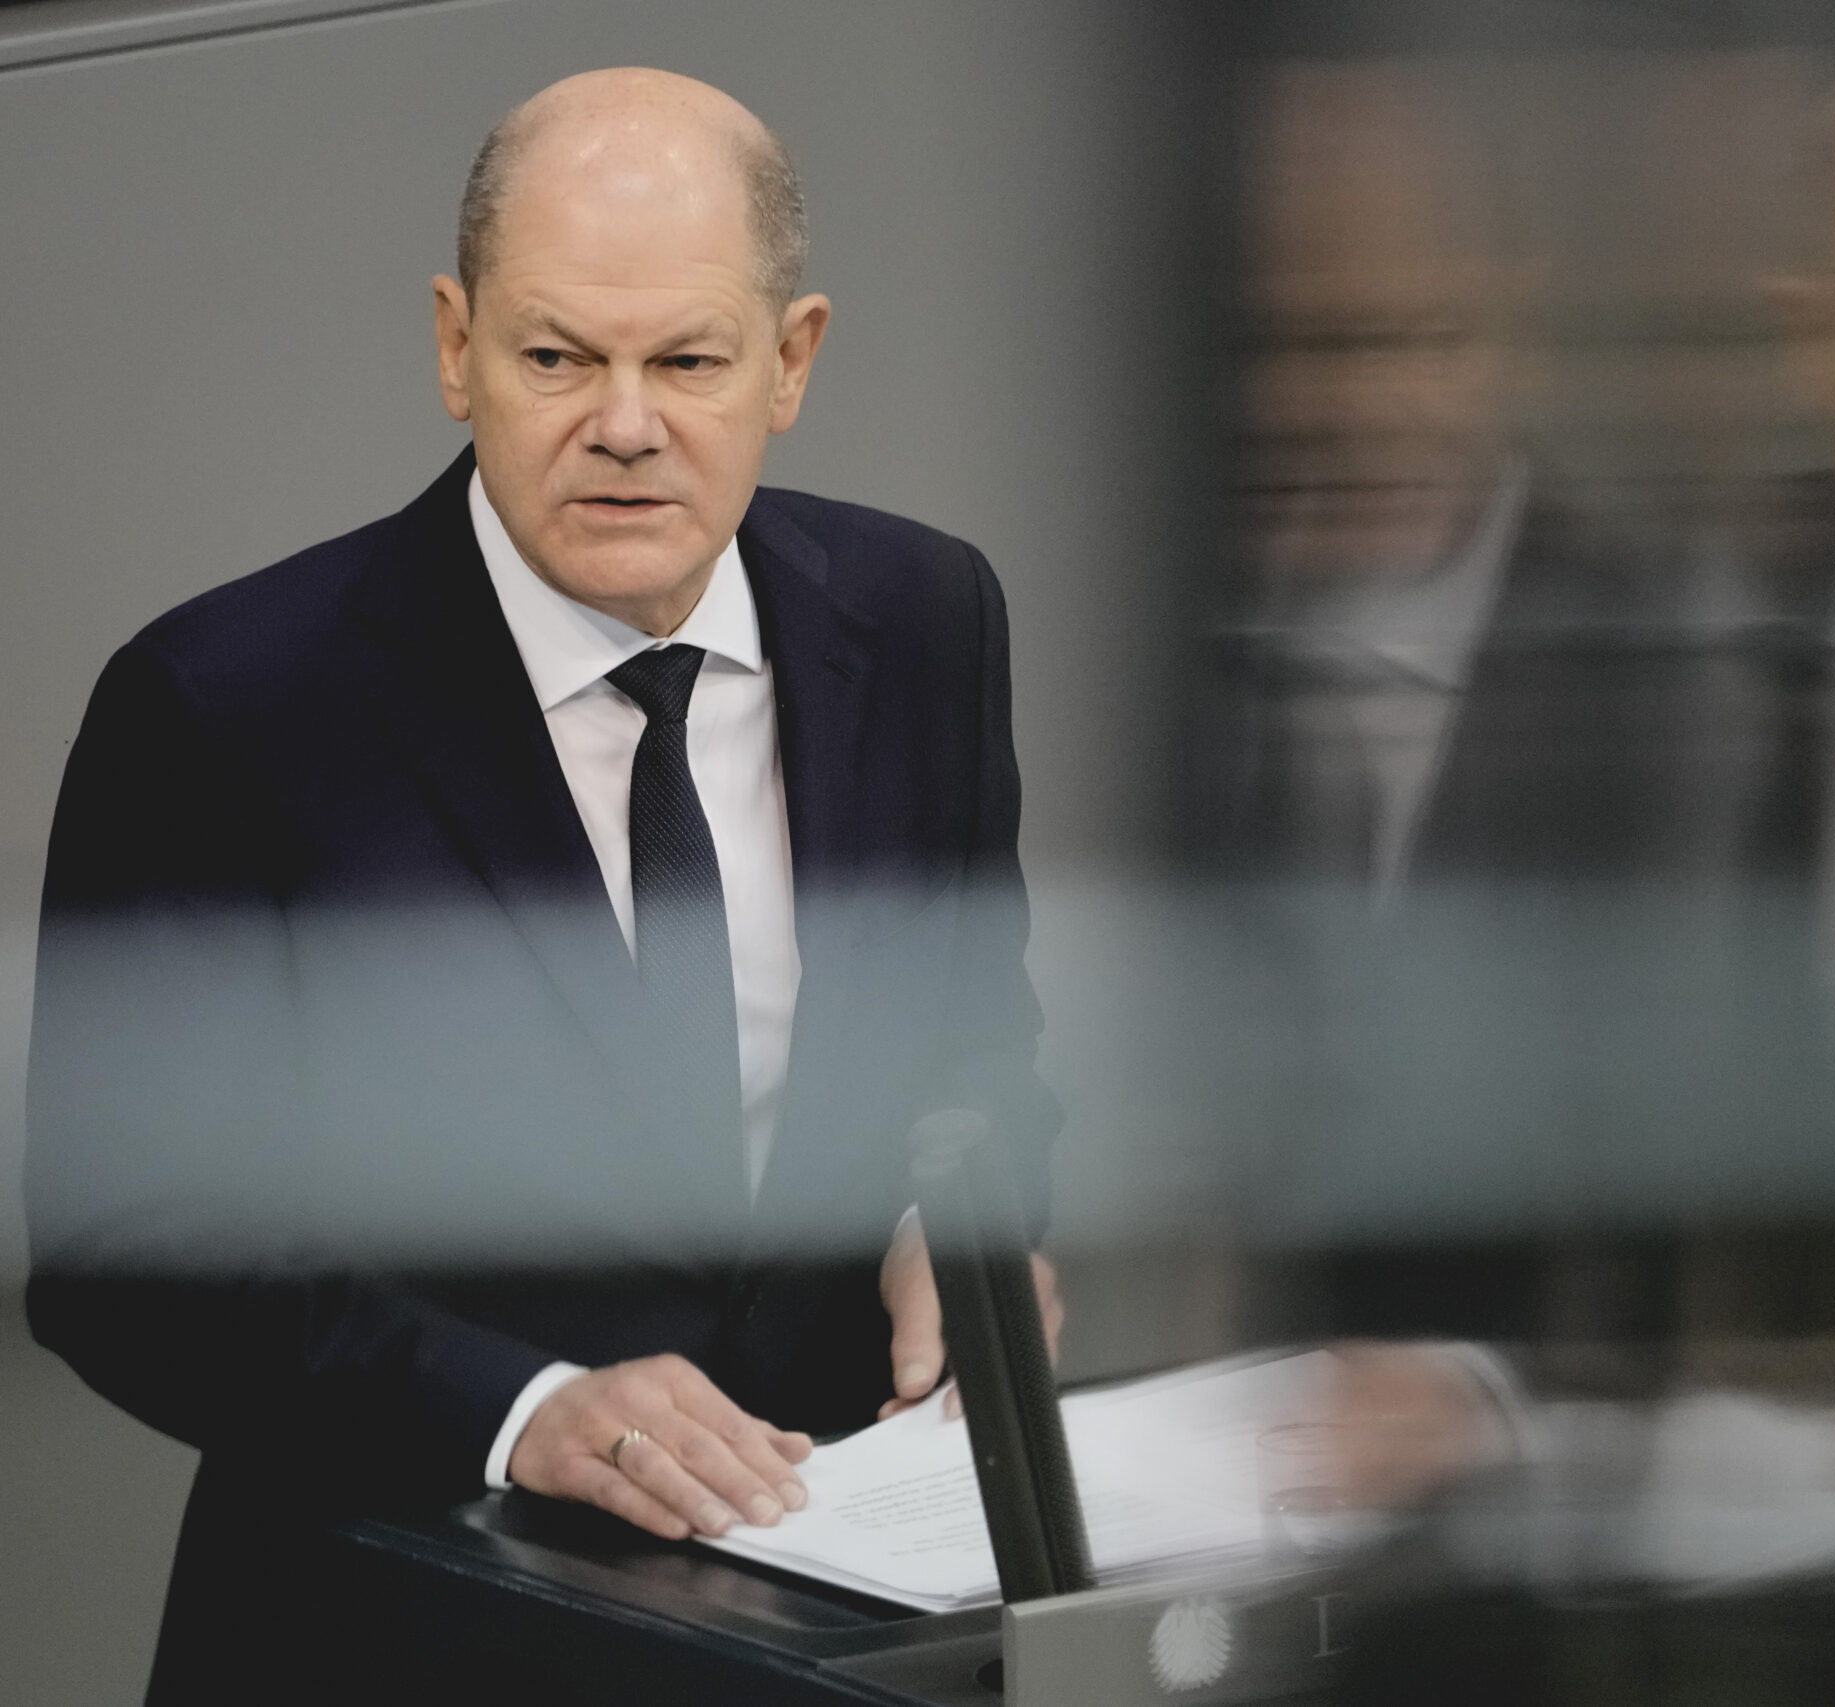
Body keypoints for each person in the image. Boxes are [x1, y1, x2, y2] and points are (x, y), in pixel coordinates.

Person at [23, 68, 1060, 1697]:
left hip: (844, 1619)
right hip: (405, 1633)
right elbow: (125, 1261)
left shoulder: (929, 619)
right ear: (457, 349)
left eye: (689, 362)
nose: (625, 425)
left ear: (792, 361)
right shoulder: (223, 706)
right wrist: (519, 1412)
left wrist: (972, 1230)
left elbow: (978, 1054)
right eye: (558, 357)